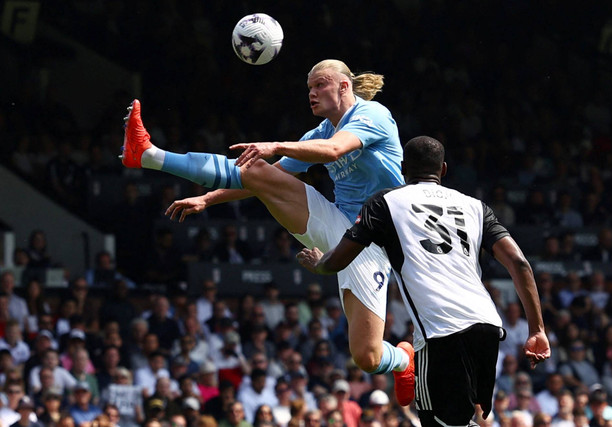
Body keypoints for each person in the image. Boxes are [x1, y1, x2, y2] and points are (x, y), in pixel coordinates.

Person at [121, 59, 411, 396]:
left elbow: (334, 151)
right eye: (309, 88)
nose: (312, 93)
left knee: (368, 356)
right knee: (260, 170)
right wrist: (208, 200)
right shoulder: (319, 133)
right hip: (338, 225)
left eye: (320, 85)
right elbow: (267, 176)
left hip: (375, 239)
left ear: (344, 86)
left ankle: (405, 360)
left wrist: (275, 146)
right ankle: (147, 154)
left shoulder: (372, 115)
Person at [296, 136, 551, 426]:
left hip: (440, 332)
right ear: (443, 169)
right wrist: (537, 329)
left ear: (403, 168)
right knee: (463, 420)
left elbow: (341, 258)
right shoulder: (476, 207)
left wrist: (320, 265)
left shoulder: (385, 202)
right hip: (488, 328)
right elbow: (519, 263)